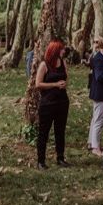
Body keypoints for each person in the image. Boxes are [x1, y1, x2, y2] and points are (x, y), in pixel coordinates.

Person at [35, 39, 70, 169]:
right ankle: (41, 161)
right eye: (61, 49)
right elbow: (38, 84)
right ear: (54, 50)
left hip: (62, 101)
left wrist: (65, 83)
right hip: (48, 103)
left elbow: (66, 77)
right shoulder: (44, 65)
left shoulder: (62, 62)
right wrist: (55, 84)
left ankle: (60, 157)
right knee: (44, 132)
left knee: (60, 131)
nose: (63, 51)